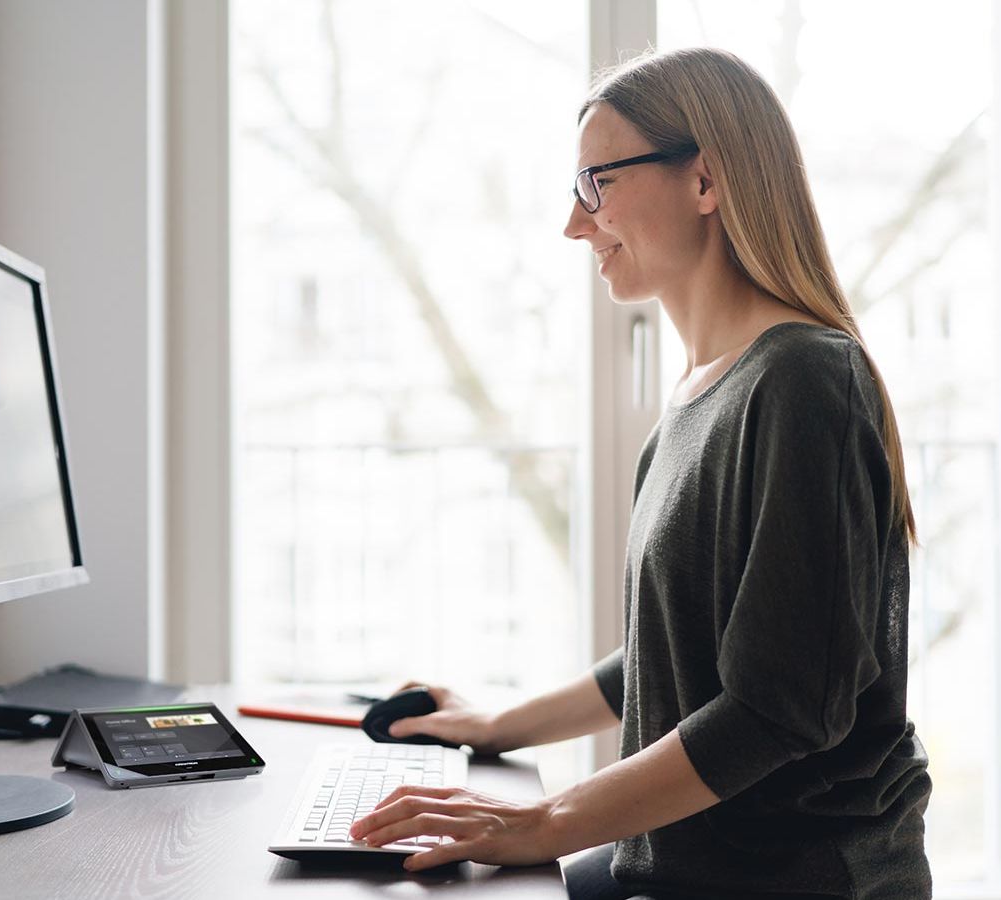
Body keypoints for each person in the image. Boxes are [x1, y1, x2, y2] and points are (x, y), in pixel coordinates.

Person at [346, 46, 932, 899]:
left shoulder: (806, 379)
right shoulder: (694, 404)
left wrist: (543, 822)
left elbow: (776, 706)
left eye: (598, 185)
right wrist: (497, 725)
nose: (575, 224)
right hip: (693, 864)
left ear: (705, 181)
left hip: (796, 879)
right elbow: (673, 654)